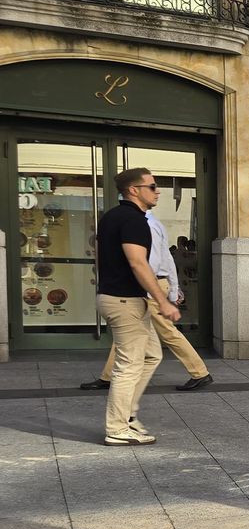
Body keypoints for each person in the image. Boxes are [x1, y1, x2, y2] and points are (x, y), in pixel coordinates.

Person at [80, 209, 212, 392]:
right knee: (126, 330)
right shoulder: (152, 224)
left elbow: (148, 262)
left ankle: (200, 373)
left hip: (149, 285)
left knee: (166, 332)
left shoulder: (144, 226)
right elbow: (167, 260)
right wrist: (173, 288)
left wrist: (169, 290)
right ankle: (108, 376)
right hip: (152, 283)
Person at [96, 168, 182, 446]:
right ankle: (117, 428)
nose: (158, 192)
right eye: (153, 186)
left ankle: (127, 418)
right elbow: (138, 263)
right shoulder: (132, 220)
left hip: (121, 298)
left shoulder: (112, 217)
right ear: (134, 190)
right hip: (124, 301)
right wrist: (163, 301)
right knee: (128, 365)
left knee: (150, 355)